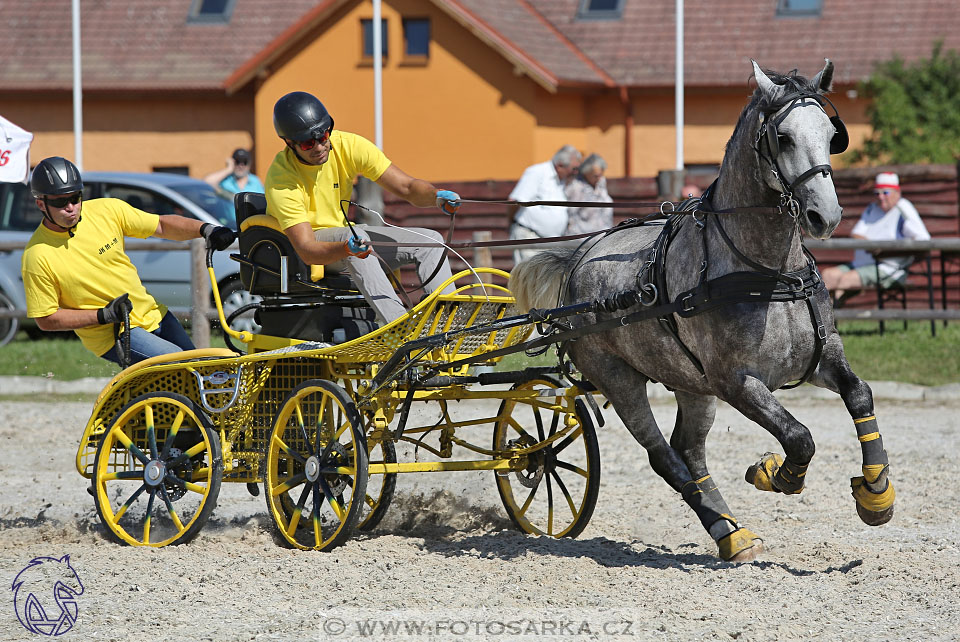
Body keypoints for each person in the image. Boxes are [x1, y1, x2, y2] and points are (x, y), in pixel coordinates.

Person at [264, 91, 460, 325]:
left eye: (324, 135)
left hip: (349, 237)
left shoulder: (350, 145)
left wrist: (436, 196)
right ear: (289, 143)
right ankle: (399, 329)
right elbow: (307, 249)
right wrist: (346, 248)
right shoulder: (281, 178)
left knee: (431, 241)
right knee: (355, 236)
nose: (319, 146)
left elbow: (407, 187)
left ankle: (450, 326)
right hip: (313, 247)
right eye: (308, 143)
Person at [21, 156, 237, 366]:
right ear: (41, 204)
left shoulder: (107, 210)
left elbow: (161, 225)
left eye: (76, 197)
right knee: (180, 367)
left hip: (153, 314)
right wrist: (102, 315)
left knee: (202, 369)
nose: (71, 207)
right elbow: (46, 318)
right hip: (117, 333)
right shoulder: (37, 255)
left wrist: (206, 229)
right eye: (60, 201)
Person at [821, 172, 930, 301]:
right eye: (877, 193)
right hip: (861, 263)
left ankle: (833, 315)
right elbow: (856, 233)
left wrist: (885, 251)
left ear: (897, 192)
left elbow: (923, 240)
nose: (881, 197)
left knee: (846, 280)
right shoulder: (872, 208)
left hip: (889, 268)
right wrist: (871, 246)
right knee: (827, 276)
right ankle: (827, 314)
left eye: (886, 193)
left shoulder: (903, 208)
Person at [508, 145, 582, 264]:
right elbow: (514, 201)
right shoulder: (537, 172)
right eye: (574, 169)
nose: (576, 172)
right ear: (560, 166)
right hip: (529, 236)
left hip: (549, 242)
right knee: (529, 280)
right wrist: (512, 223)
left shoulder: (562, 180)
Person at [564, 153, 613, 235]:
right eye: (596, 176)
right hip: (583, 237)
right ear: (586, 173)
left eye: (601, 175)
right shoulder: (576, 187)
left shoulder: (601, 181)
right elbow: (571, 216)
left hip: (603, 234)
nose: (599, 178)